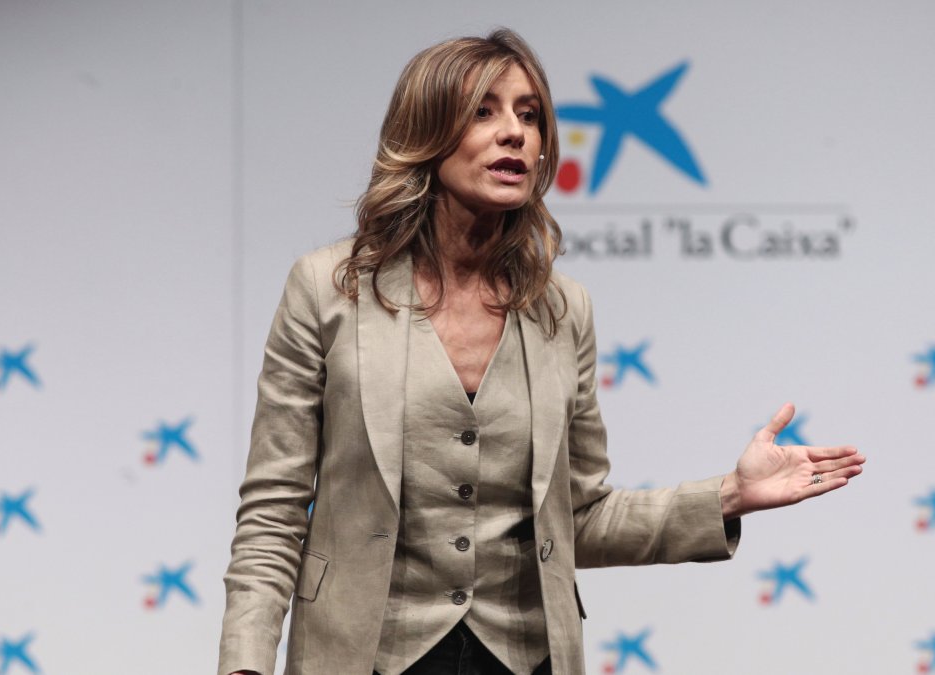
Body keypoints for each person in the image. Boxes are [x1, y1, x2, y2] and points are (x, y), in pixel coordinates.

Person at [217, 28, 865, 675]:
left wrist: (727, 494)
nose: (515, 133)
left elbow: (580, 516)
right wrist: (244, 665)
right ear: (426, 133)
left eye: (530, 116)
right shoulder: (329, 291)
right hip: (365, 654)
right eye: (484, 111)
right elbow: (274, 511)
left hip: (523, 658)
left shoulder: (561, 308)